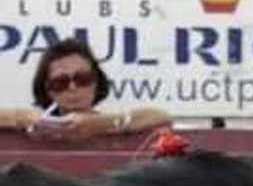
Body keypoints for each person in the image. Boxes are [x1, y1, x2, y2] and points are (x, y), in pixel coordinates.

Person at [1, 39, 172, 143]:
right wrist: (21, 117)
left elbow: (161, 117)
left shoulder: (110, 124)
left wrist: (99, 124)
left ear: (96, 81)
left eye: (82, 79)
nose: (73, 88)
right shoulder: (35, 123)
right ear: (48, 90)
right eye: (61, 82)